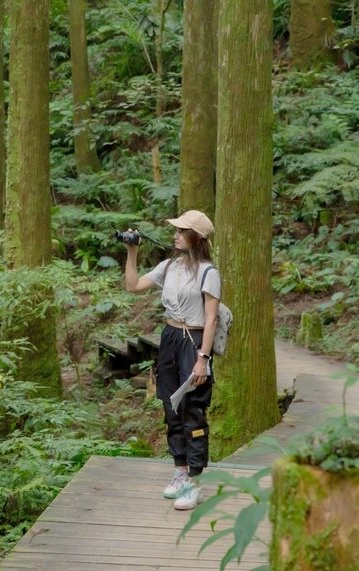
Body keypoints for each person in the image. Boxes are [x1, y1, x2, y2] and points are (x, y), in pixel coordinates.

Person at [123, 209, 221, 511]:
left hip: (194, 342)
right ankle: (179, 472)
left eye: (181, 230)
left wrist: (203, 359)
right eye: (176, 230)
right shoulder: (170, 266)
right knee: (171, 408)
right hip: (170, 339)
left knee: (193, 412)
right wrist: (132, 251)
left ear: (196, 237)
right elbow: (133, 286)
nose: (175, 234)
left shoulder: (209, 272)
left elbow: (211, 317)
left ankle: (194, 482)